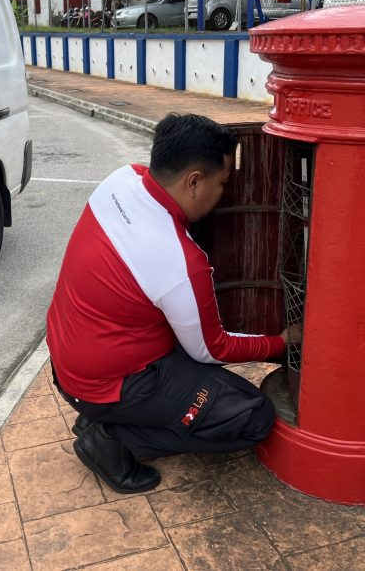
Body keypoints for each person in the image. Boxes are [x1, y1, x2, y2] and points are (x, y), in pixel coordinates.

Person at [46, 113, 298, 494]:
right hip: (111, 384)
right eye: (223, 183)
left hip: (68, 365)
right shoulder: (179, 261)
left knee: (205, 382)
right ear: (194, 181)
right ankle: (113, 440)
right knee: (253, 416)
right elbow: (213, 348)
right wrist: (280, 341)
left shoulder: (122, 179)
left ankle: (104, 419)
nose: (224, 193)